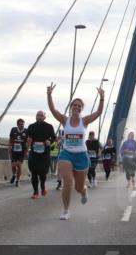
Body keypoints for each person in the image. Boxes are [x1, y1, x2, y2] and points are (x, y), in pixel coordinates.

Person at [47, 83, 104, 220]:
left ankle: (84, 191)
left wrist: (102, 98)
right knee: (67, 182)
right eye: (75, 105)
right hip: (66, 154)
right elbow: (53, 110)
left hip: (81, 156)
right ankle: (66, 211)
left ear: (81, 109)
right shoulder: (64, 120)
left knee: (78, 187)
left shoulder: (84, 121)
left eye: (79, 106)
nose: (77, 107)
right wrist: (49, 95)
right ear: (71, 107)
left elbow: (98, 113)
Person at [25, 110, 56, 199]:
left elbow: (54, 138)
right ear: (36, 117)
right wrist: (28, 142)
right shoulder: (31, 126)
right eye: (38, 115)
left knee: (43, 174)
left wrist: (49, 141)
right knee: (34, 173)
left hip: (45, 153)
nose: (39, 117)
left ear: (44, 117)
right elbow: (27, 137)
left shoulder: (49, 126)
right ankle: (35, 192)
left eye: (41, 115)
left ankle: (42, 187)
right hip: (34, 153)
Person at [8, 119, 28, 185]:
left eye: (22, 124)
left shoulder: (26, 131)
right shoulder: (13, 130)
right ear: (17, 125)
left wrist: (27, 150)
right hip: (14, 150)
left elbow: (28, 141)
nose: (21, 125)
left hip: (22, 151)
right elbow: (10, 140)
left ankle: (18, 180)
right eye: (20, 124)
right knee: (13, 165)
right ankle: (14, 175)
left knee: (19, 165)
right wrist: (9, 148)